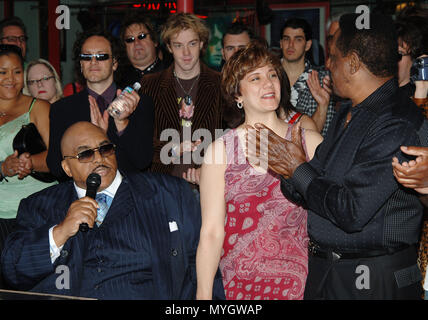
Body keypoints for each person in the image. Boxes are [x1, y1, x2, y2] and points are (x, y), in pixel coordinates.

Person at [251, 13, 426, 299]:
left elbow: (351, 211)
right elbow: (311, 184)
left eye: (333, 56)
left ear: (353, 63)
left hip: (373, 279)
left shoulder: (397, 123)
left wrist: (297, 168)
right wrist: (289, 166)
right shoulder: (346, 111)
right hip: (326, 272)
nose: (328, 64)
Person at [1, 121, 225, 299]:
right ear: (67, 168)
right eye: (85, 154)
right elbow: (13, 270)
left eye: (105, 149)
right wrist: (59, 232)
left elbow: (207, 262)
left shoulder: (167, 193)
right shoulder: (40, 206)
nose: (99, 158)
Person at [196, 42, 323, 300]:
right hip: (239, 282)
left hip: (300, 281)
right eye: (255, 78)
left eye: (272, 75)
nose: (268, 83)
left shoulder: (308, 141)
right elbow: (211, 231)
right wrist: (203, 294)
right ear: (237, 95)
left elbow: (331, 208)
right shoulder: (220, 151)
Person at [46, 28, 154, 181]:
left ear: (114, 63)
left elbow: (142, 161)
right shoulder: (62, 109)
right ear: (81, 64)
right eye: (87, 57)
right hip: (81, 196)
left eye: (101, 56)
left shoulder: (139, 103)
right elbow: (56, 167)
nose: (94, 62)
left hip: (128, 193)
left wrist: (121, 124)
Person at [140, 13, 223, 186]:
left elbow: (233, 137)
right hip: (162, 185)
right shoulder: (150, 85)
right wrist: (173, 149)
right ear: (169, 47)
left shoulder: (221, 84)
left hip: (209, 185)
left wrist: (210, 169)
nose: (186, 53)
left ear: (201, 44)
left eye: (192, 44)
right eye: (178, 45)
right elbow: (141, 142)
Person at [0, 45, 56, 287]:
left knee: (36, 283)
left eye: (16, 72)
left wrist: (30, 162)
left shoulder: (39, 107)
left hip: (37, 211)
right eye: (2, 72)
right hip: (1, 216)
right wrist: (3, 168)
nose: (10, 79)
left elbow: (58, 159)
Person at [280, 18, 335, 137]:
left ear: (308, 45)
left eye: (298, 39)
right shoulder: (268, 78)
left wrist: (322, 106)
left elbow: (322, 135)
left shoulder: (321, 81)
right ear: (280, 43)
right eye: (286, 39)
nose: (291, 45)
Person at [116, 13, 165, 88]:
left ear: (154, 41)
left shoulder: (172, 74)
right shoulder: (118, 80)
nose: (136, 42)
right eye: (130, 39)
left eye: (142, 36)